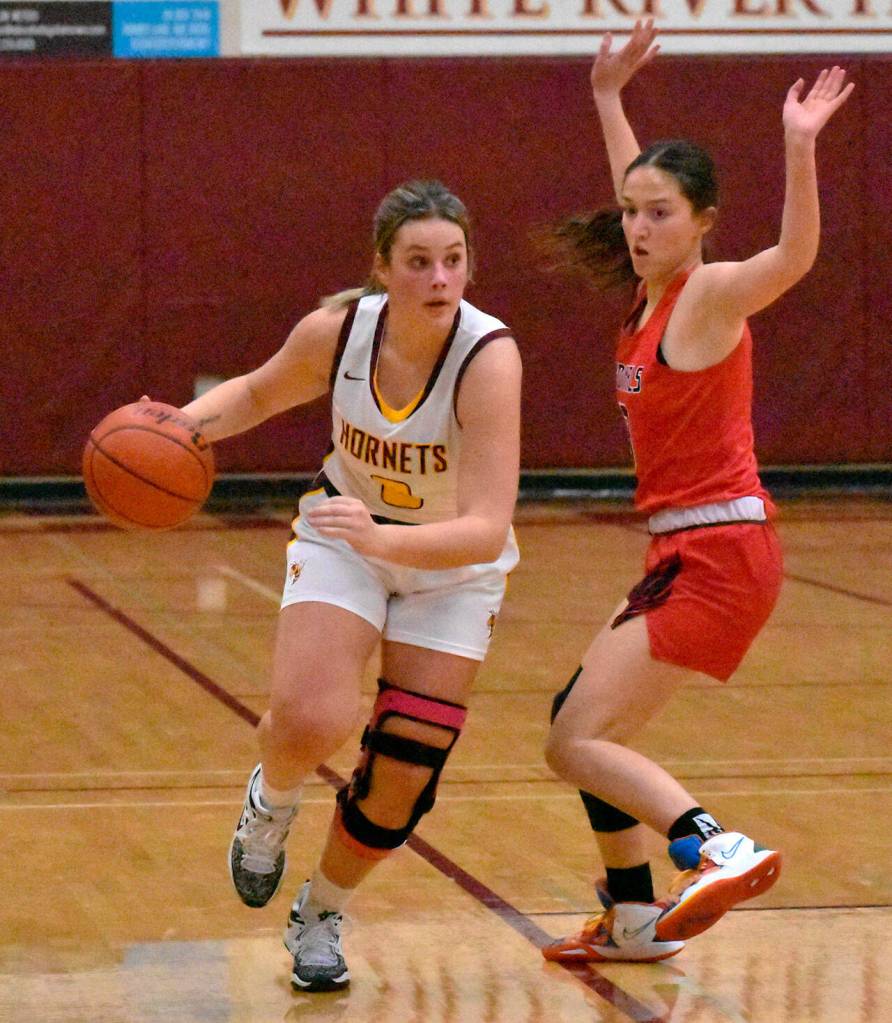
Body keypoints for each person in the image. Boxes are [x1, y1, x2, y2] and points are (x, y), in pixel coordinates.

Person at [539, 21, 853, 964]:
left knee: (573, 741)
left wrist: (799, 149)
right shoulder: (649, 288)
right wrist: (606, 96)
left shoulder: (708, 292)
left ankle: (718, 845)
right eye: (632, 211)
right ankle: (634, 918)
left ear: (704, 220)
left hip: (718, 552)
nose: (638, 226)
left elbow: (793, 260)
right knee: (586, 722)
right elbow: (636, 176)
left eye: (661, 213)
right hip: (685, 549)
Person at [178, 180, 522, 990]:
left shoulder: (489, 357)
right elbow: (259, 391)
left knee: (405, 770)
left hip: (456, 565)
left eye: (454, 261)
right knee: (310, 715)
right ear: (382, 268)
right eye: (419, 262)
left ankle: (322, 910)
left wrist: (388, 536)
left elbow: (485, 524)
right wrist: (177, 427)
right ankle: (273, 797)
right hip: (347, 537)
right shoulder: (338, 333)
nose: (440, 278)